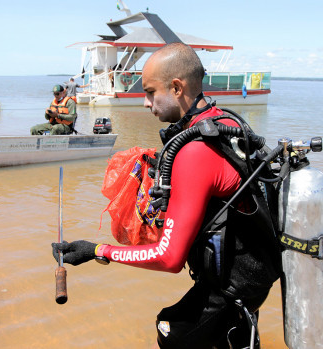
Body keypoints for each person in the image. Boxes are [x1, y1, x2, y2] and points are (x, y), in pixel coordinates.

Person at [52, 43, 281, 348]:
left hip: (231, 288)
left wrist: (97, 250)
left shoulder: (195, 151)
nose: (146, 103)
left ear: (176, 88)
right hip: (251, 278)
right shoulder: (222, 123)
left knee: (170, 331)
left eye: (150, 92)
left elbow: (168, 257)